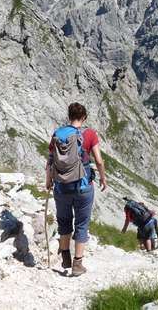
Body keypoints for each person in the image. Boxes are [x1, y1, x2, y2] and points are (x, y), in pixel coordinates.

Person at [45, 102, 106, 276]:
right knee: (81, 223)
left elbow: (49, 160)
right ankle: (77, 264)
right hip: (83, 186)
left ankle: (65, 256)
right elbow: (99, 161)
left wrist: (49, 181)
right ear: (84, 117)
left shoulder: (58, 134)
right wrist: (103, 177)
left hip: (61, 187)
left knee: (64, 221)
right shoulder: (89, 134)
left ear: (69, 116)